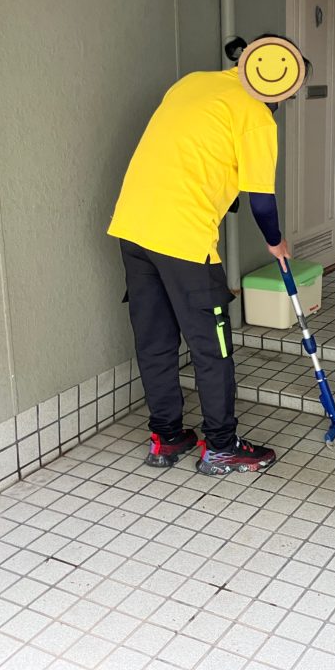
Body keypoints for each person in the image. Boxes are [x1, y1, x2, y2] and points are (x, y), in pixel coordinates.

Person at [107, 35, 309, 476]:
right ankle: (221, 446)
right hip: (183, 238)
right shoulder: (257, 115)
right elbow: (261, 200)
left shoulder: (193, 82)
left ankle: (166, 436)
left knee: (155, 340)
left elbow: (195, 153)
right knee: (211, 346)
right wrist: (276, 242)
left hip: (133, 226)